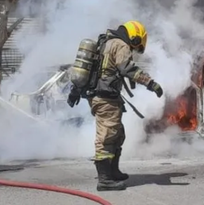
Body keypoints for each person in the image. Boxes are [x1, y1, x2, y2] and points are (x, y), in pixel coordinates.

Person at [67, 20, 164, 191]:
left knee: (118, 134)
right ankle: (105, 180)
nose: (134, 49)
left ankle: (113, 172)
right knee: (107, 135)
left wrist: (75, 92)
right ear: (134, 37)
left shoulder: (106, 42)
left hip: (107, 97)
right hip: (105, 99)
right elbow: (127, 69)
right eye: (136, 45)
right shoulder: (120, 45)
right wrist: (150, 83)